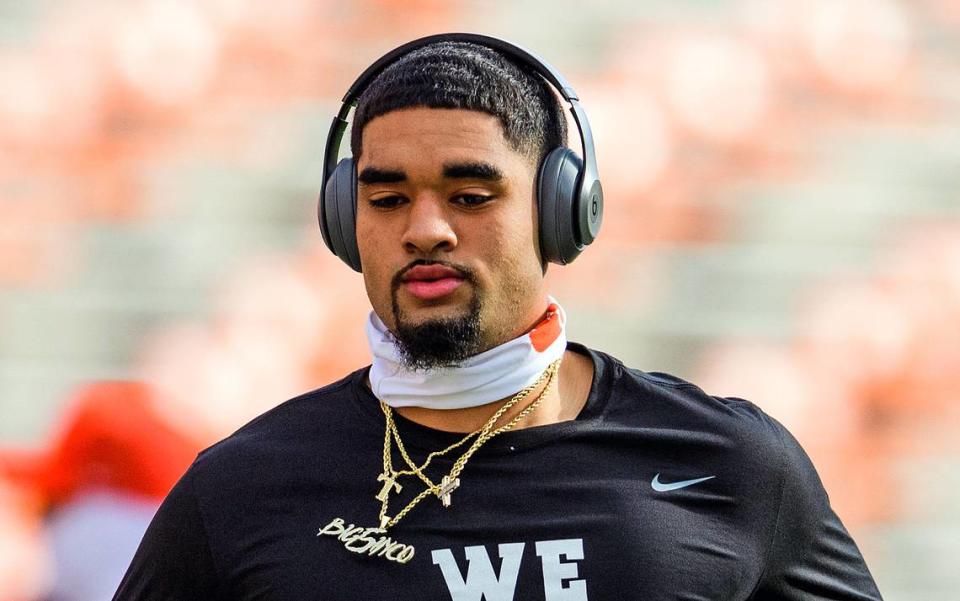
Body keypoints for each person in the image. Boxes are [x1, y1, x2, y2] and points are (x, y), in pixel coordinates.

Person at [114, 33, 882, 600]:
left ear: (560, 213)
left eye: (470, 196)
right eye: (386, 200)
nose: (426, 229)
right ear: (345, 225)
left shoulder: (731, 462)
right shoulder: (243, 487)